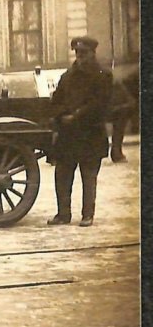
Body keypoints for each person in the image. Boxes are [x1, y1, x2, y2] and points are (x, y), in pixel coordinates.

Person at [47, 37, 113, 227]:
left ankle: (87, 215)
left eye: (84, 53)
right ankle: (63, 214)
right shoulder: (67, 76)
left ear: (93, 53)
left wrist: (76, 116)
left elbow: (100, 104)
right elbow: (56, 101)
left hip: (91, 134)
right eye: (77, 53)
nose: (80, 57)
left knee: (88, 176)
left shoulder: (103, 75)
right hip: (68, 136)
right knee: (62, 175)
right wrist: (59, 116)